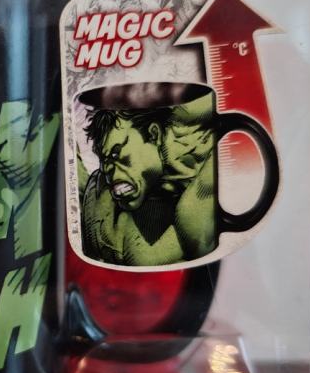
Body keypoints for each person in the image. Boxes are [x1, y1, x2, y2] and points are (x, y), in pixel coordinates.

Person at [80, 105, 216, 266]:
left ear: (153, 134)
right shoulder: (100, 191)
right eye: (105, 162)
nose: (109, 172)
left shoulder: (188, 114)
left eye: (116, 154)